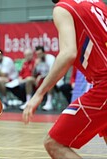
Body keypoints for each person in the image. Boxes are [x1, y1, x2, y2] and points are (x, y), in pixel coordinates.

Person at [23, 0, 107, 158]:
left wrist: (39, 93)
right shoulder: (99, 4)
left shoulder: (63, 8)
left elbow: (68, 53)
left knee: (53, 143)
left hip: (104, 84)